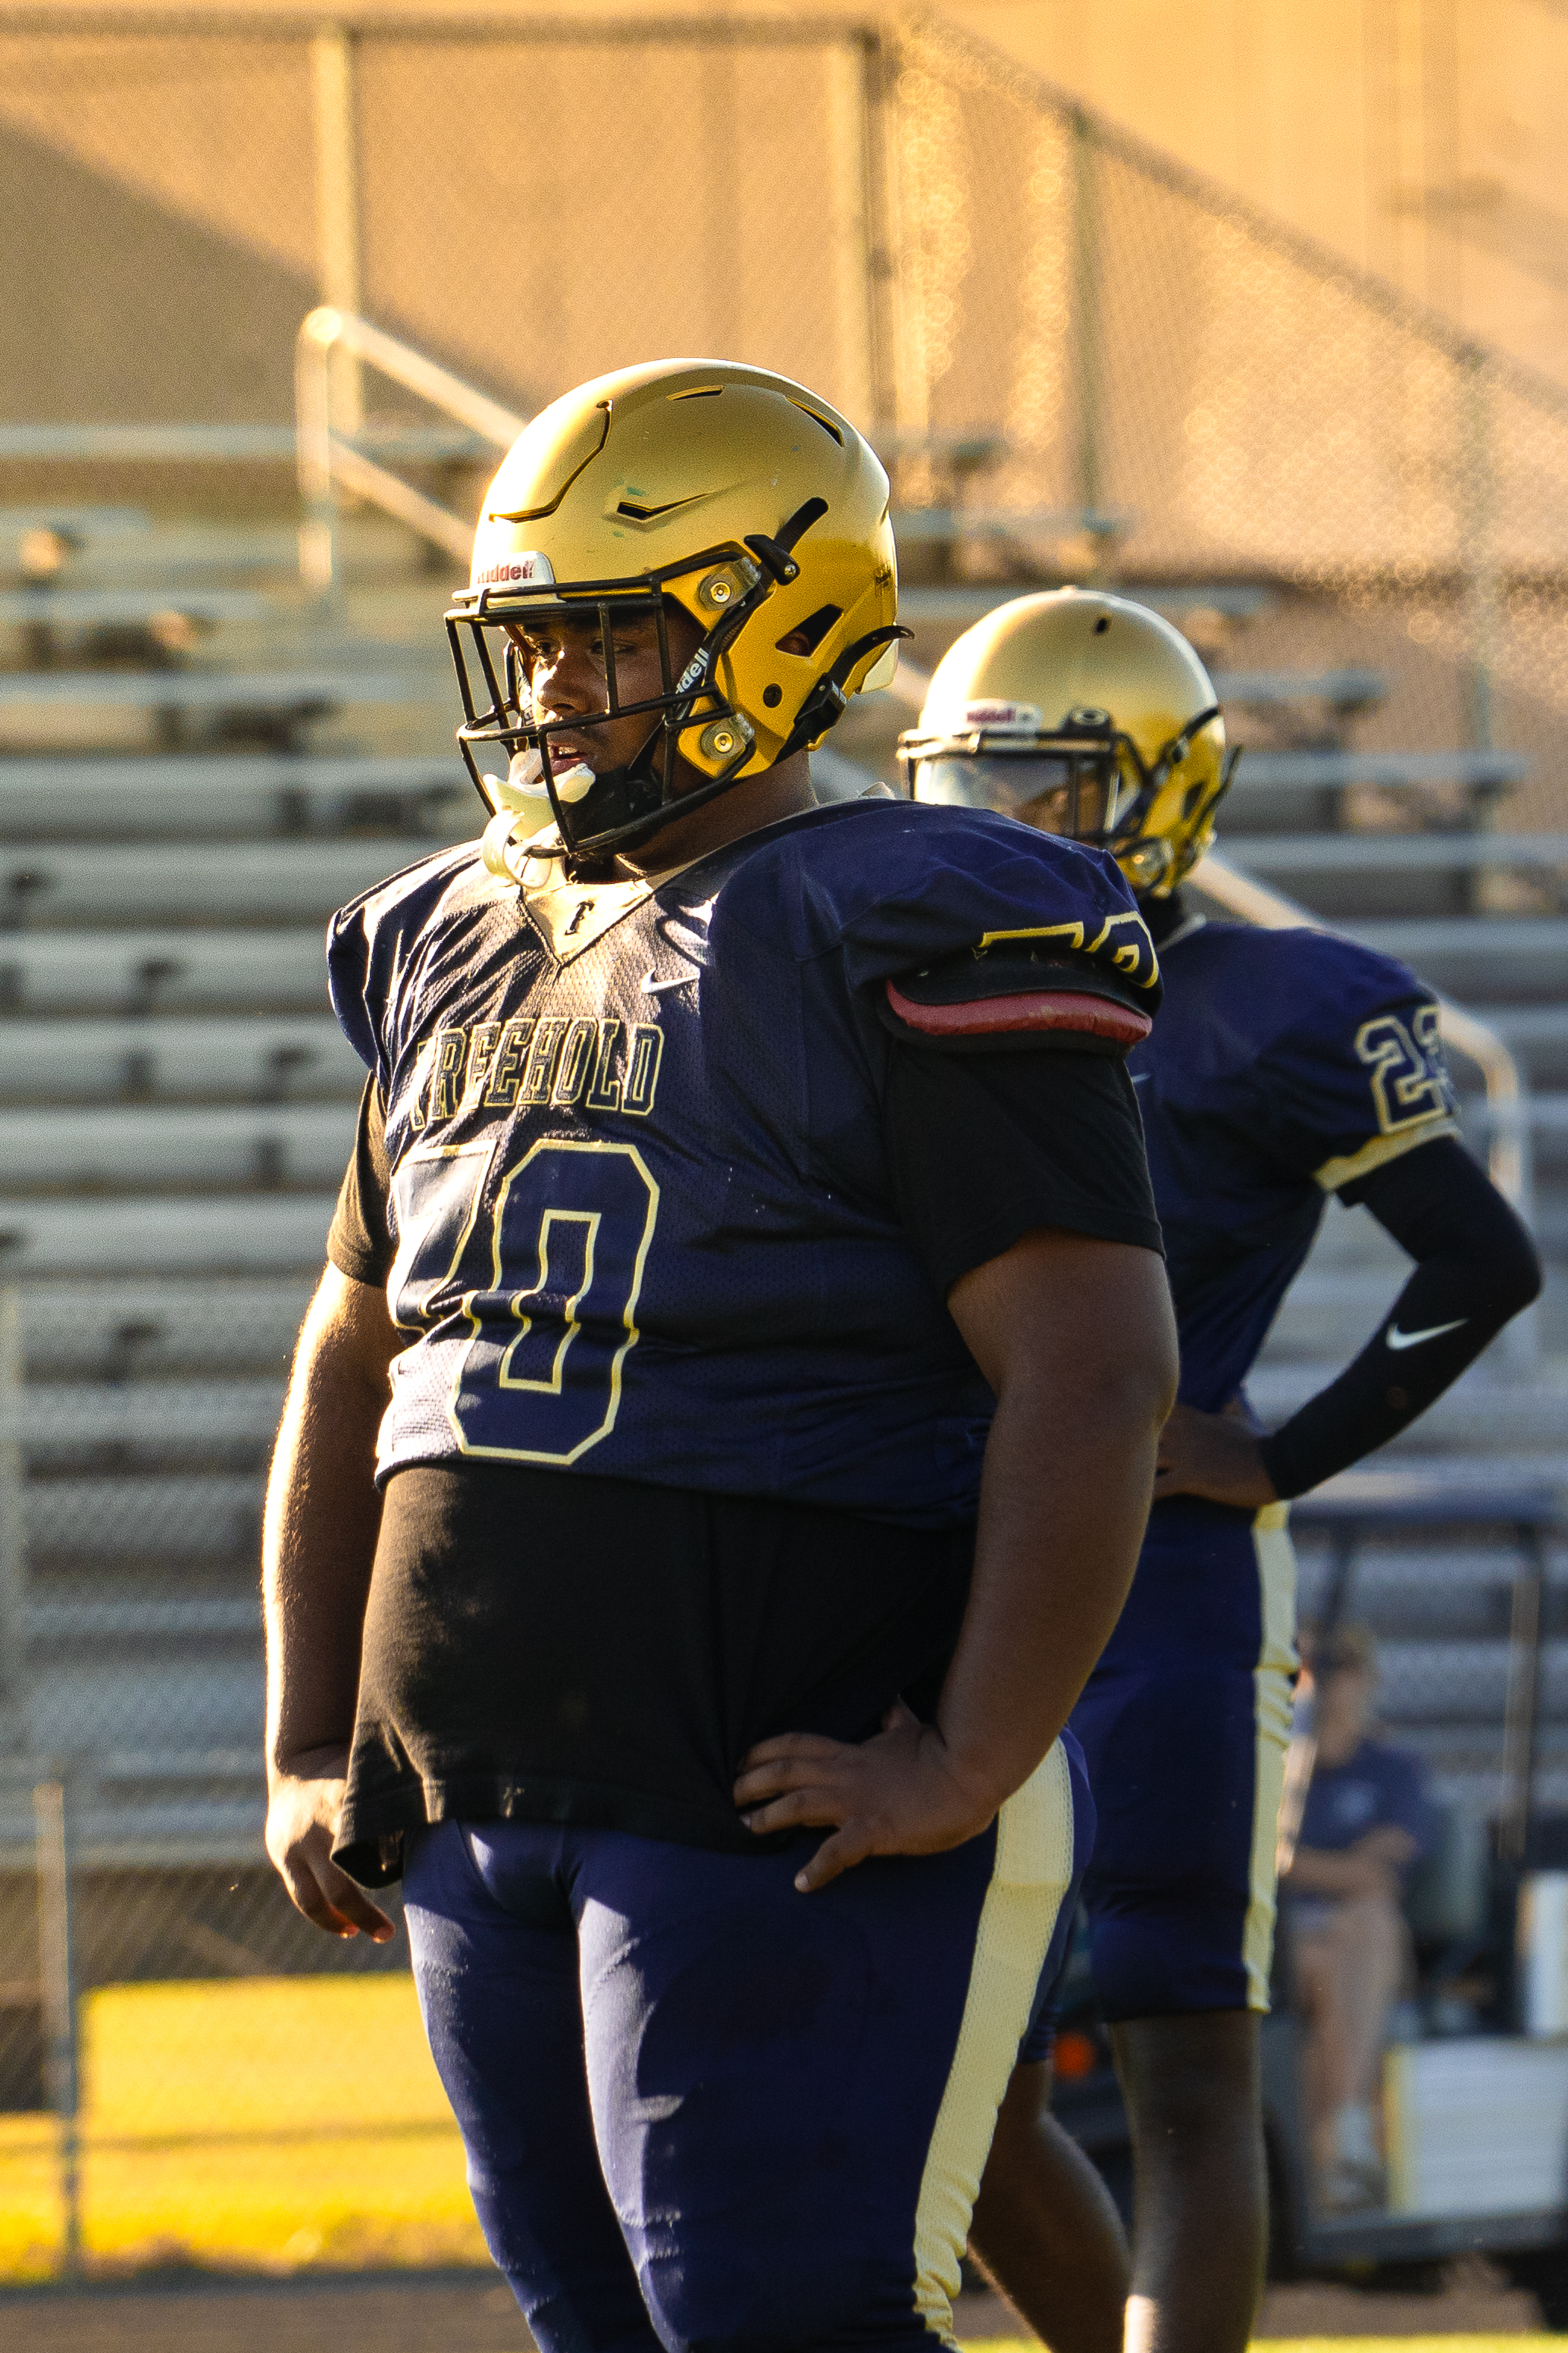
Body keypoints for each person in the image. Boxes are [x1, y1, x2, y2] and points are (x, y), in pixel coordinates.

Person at [262, 362, 1180, 2353]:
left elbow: (1093, 1372)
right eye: (538, 637)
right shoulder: (444, 931)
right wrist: (302, 1728)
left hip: (760, 1758)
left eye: (613, 634)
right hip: (476, 1775)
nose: (561, 689)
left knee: (774, 2316)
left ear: (783, 620)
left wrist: (965, 1753)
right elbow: (357, 1355)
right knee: (601, 2329)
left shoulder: (906, 915)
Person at [899, 587, 1541, 2353]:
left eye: (1041, 789)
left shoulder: (1264, 1006)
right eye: (969, 787)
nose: (996, 831)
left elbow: (1478, 1261)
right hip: (935, 1564)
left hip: (1161, 1583)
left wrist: (1274, 1455)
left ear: (1155, 795)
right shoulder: (894, 998)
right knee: (974, 2071)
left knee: (1186, 2064)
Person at [1285, 1625, 1435, 2210]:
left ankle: (1336, 2139)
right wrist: (1337, 1867)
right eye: (1310, 1667)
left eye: (1340, 1666)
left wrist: (1297, 1864)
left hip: (1354, 1944)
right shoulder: (1278, 1769)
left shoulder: (1394, 1769)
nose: (1324, 1681)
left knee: (1365, 1925)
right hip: (1289, 1945)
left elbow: (1378, 1877)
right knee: (1334, 1950)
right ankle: (1348, 2141)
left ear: (1366, 1678)